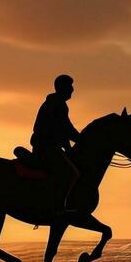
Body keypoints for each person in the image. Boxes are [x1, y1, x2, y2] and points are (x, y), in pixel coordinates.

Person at [31, 73, 80, 213]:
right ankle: (60, 205)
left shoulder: (56, 103)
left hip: (47, 145)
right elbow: (64, 129)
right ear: (62, 87)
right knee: (72, 173)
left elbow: (66, 130)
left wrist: (75, 141)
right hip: (47, 147)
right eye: (70, 86)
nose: (72, 89)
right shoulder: (57, 104)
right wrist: (80, 141)